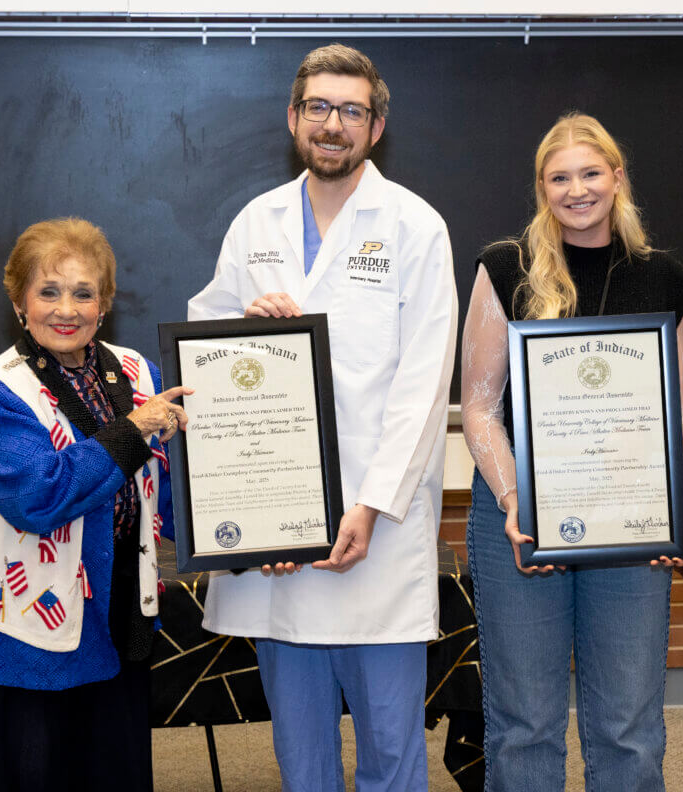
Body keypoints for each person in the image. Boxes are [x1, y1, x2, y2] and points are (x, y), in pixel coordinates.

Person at [187, 44, 457, 792]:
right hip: (282, 539)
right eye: (318, 108)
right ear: (293, 118)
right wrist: (247, 321)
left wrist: (369, 506)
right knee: (302, 760)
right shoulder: (255, 223)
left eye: (351, 111)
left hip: (376, 533)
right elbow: (204, 354)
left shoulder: (414, 227)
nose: (333, 124)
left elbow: (425, 384)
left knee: (392, 754)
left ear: (375, 128)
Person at [460, 112, 683, 792]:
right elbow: (479, 404)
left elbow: (677, 413)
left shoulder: (664, 279)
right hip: (520, 517)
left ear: (617, 178)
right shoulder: (505, 266)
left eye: (591, 173)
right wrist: (513, 500)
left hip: (631, 520)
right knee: (524, 726)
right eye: (559, 177)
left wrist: (673, 503)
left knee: (629, 728)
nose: (577, 190)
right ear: (542, 187)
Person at [0, 217, 191, 791]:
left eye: (84, 293)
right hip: (26, 633)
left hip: (116, 620)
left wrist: (258, 528)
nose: (66, 309)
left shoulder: (138, 374)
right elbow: (42, 496)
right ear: (19, 301)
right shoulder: (1, 390)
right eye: (48, 291)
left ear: (104, 304)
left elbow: (174, 492)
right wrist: (134, 430)